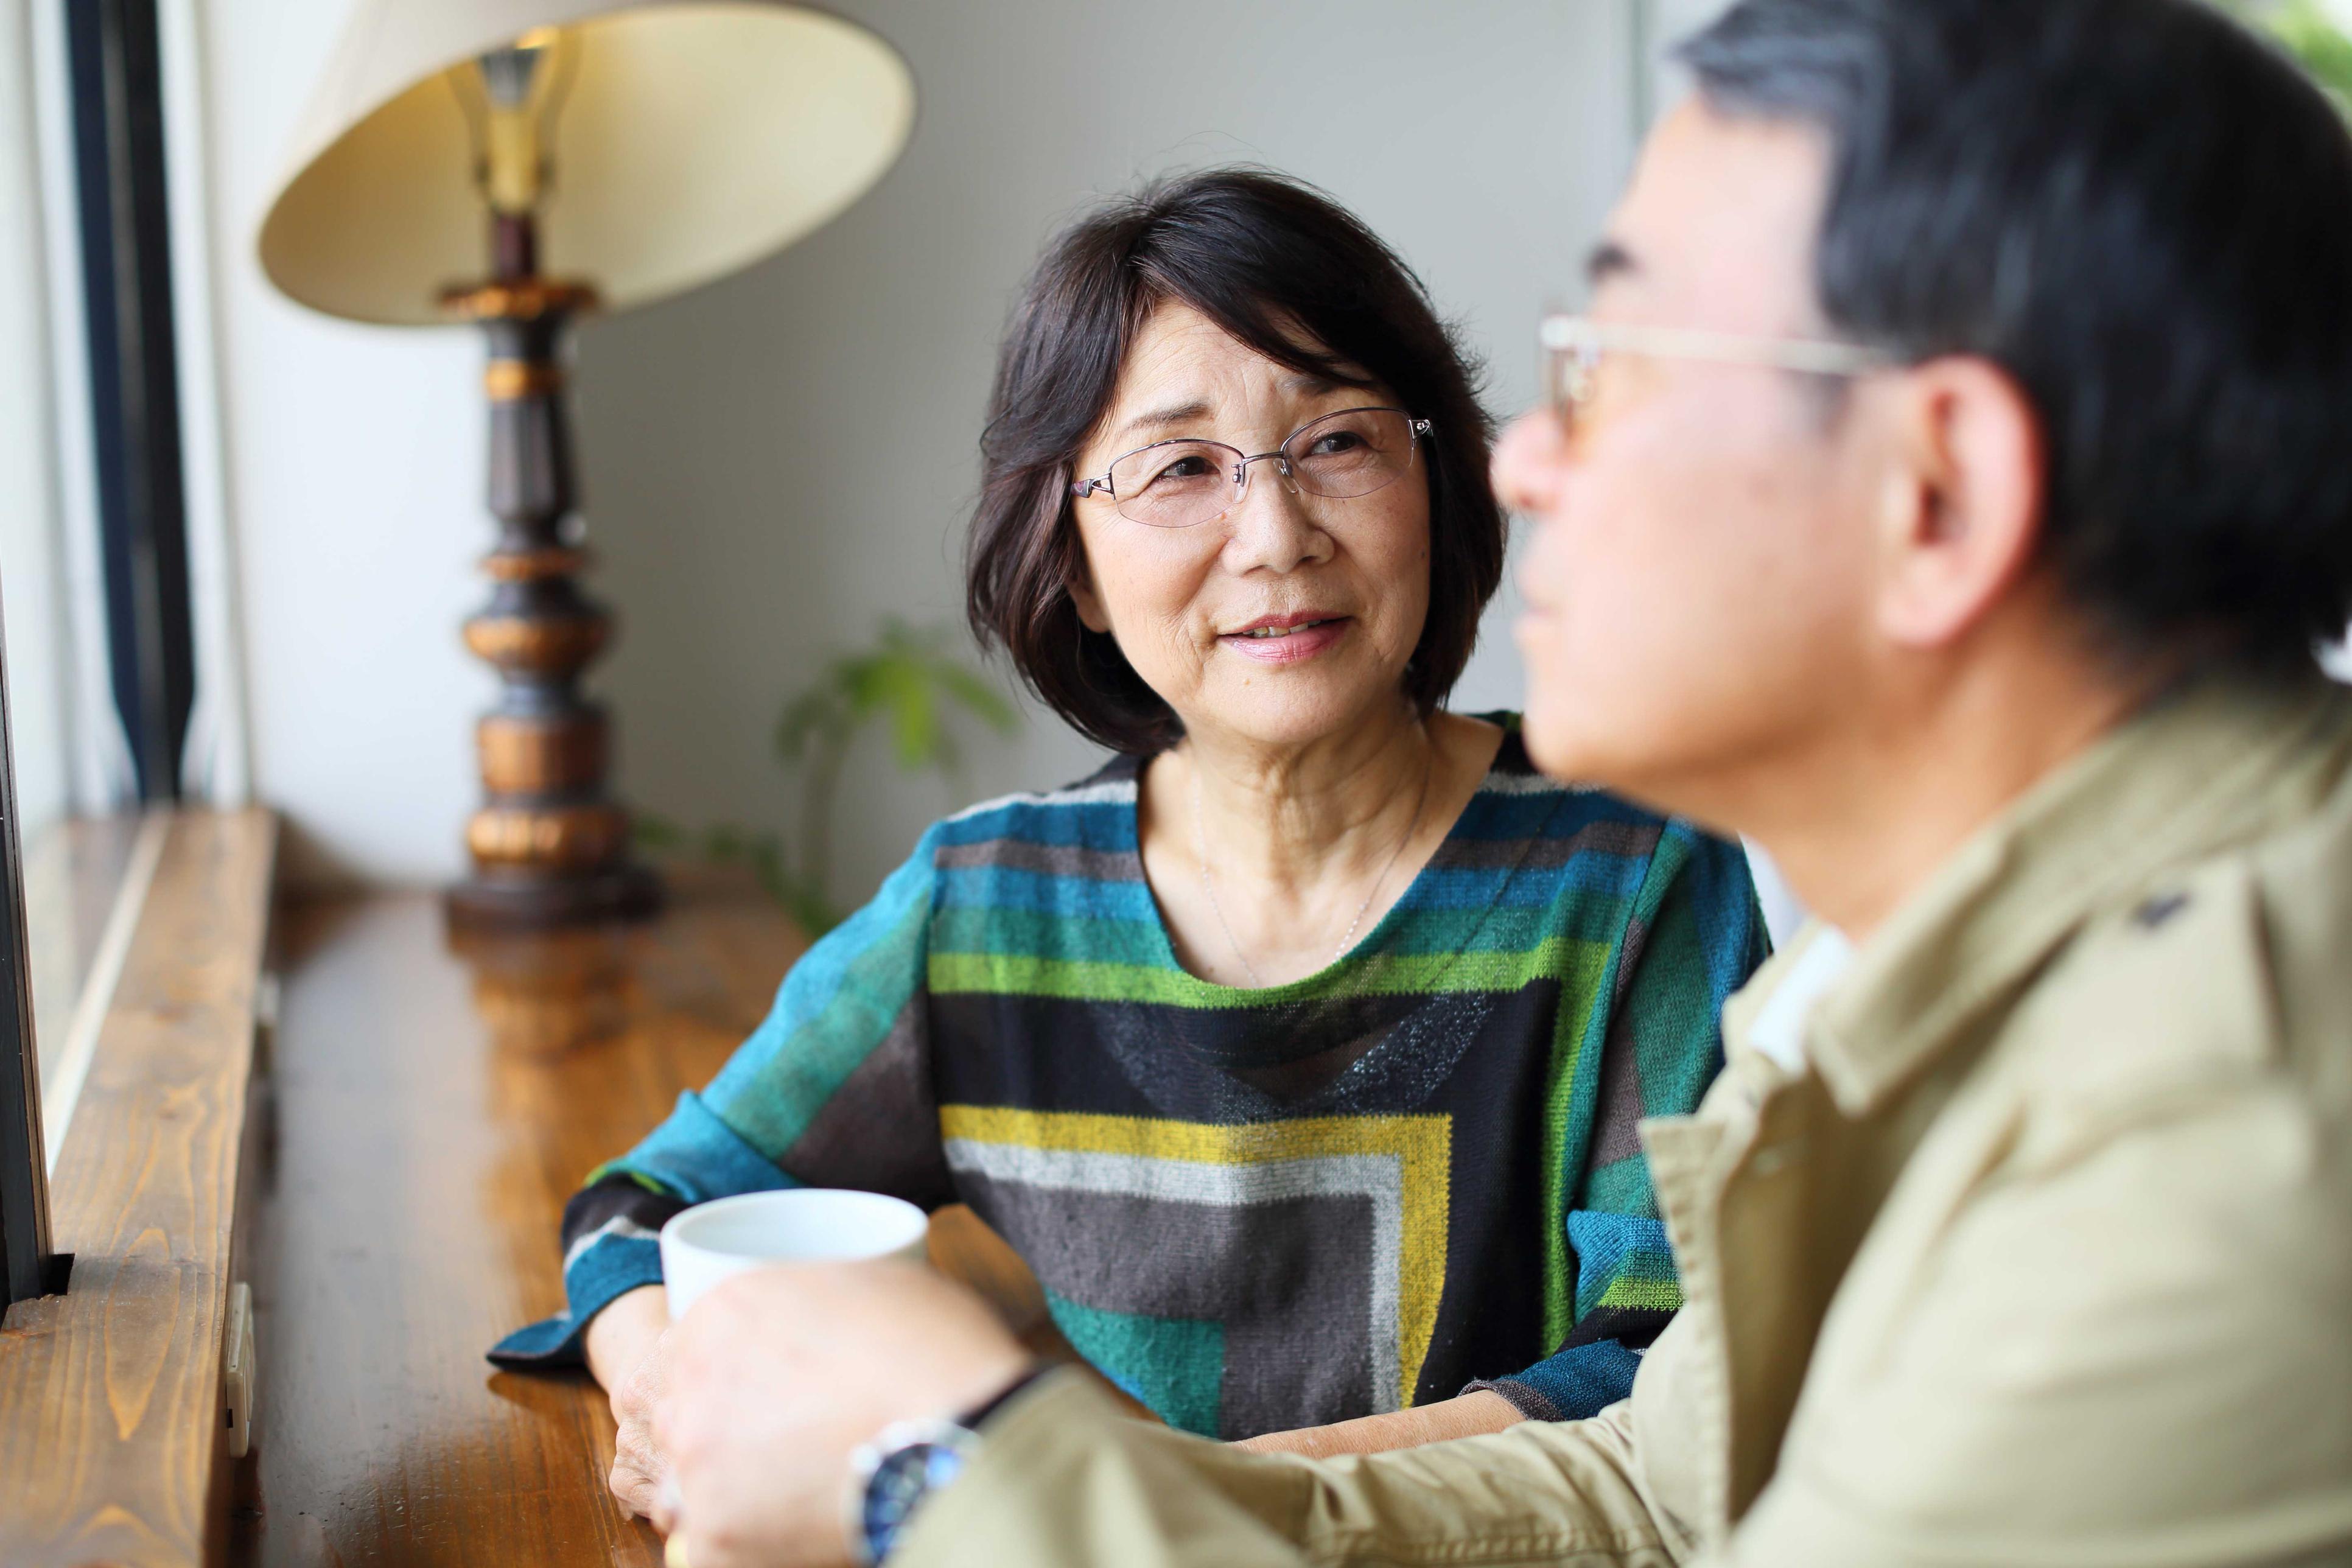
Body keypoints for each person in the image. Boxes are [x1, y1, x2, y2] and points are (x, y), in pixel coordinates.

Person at [642, 1, 2352, 1563]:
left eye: (1620, 366)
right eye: (1177, 470)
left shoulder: (2222, 1143)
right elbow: (1641, 1489)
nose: (1524, 462)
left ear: (1939, 495)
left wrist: (945, 1474)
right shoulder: (1912, 977)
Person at [489, 169, 1768, 1508]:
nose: (1274, 534)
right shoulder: (989, 913)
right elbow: (643, 1208)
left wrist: (1149, 1502)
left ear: (1433, 479)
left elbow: (1675, 1375)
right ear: (1074, 566)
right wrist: (660, 1391)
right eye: (1181, 469)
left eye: (1337, 439)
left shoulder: (1637, 872)